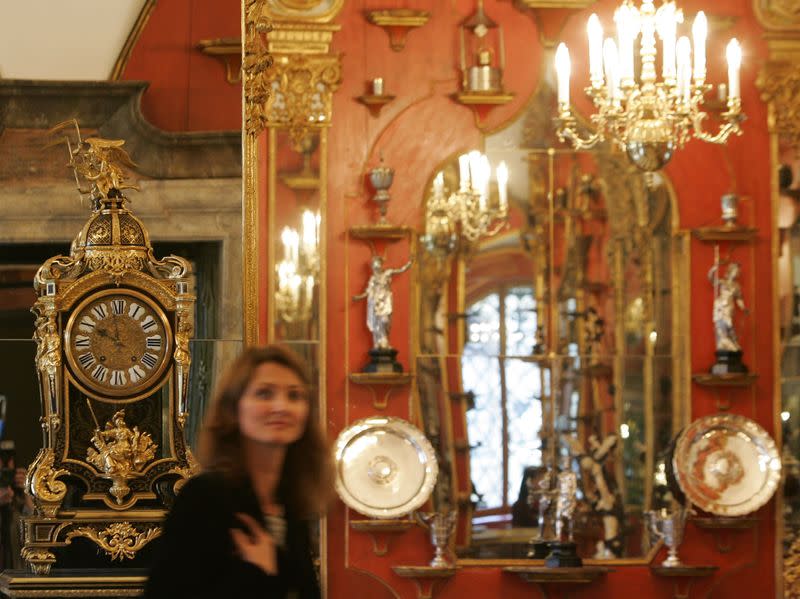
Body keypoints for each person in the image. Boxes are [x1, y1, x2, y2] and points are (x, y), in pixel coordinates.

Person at [145, 345, 333, 598]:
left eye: (295, 395)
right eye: (264, 393)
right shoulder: (205, 496)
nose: (281, 406)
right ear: (234, 408)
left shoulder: (290, 504)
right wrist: (259, 577)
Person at [353, 254, 411, 350]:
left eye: (378, 265)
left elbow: (400, 270)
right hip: (376, 302)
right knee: (377, 323)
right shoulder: (373, 279)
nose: (376, 268)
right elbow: (368, 291)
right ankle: (379, 342)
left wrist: (409, 264)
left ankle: (384, 340)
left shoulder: (387, 273)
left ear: (381, 265)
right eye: (374, 267)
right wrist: (358, 297)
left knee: (385, 321)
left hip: (386, 300)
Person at [708, 261, 746, 352]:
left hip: (730, 308)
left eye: (737, 272)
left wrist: (744, 308)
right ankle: (724, 342)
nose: (736, 273)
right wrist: (713, 269)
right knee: (722, 325)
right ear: (730, 271)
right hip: (721, 307)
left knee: (730, 325)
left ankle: (732, 342)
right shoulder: (722, 282)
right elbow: (711, 279)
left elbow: (739, 299)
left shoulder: (736, 286)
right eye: (735, 271)